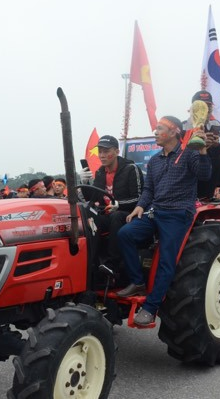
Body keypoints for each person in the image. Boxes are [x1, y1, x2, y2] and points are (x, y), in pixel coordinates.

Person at [117, 116, 211, 326]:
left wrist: (203, 149)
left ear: (174, 131)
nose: (155, 131)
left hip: (178, 214)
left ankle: (150, 308)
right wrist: (140, 205)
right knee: (125, 234)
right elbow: (149, 189)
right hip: (155, 212)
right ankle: (138, 282)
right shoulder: (155, 161)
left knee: (166, 260)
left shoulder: (189, 154)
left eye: (159, 128)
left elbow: (204, 175)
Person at [85, 135, 144, 274]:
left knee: (116, 216)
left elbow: (139, 198)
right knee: (87, 216)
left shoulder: (131, 168)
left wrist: (119, 204)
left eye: (106, 151)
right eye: (100, 151)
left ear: (117, 152)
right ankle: (90, 262)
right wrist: (86, 183)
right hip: (107, 214)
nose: (102, 155)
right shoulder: (100, 172)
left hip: (129, 214)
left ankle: (112, 264)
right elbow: (93, 199)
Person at [188, 90, 220, 201]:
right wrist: (198, 145)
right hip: (189, 164)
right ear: (193, 108)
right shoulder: (183, 126)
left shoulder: (216, 124)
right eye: (202, 105)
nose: (207, 108)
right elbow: (178, 151)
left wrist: (215, 145)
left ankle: (208, 196)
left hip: (208, 163)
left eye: (209, 105)